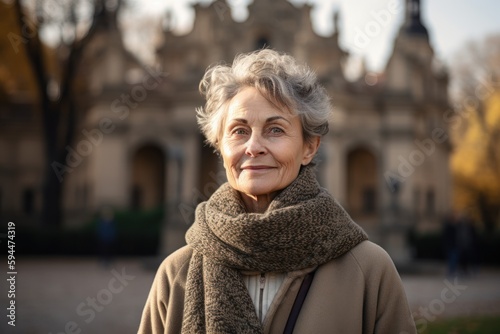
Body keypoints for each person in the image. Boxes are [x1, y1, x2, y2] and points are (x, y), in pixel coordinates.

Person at [138, 49, 416, 333]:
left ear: (309, 147)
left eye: (275, 130)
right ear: (219, 146)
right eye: (239, 131)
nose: (254, 146)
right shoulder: (175, 274)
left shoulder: (369, 270)